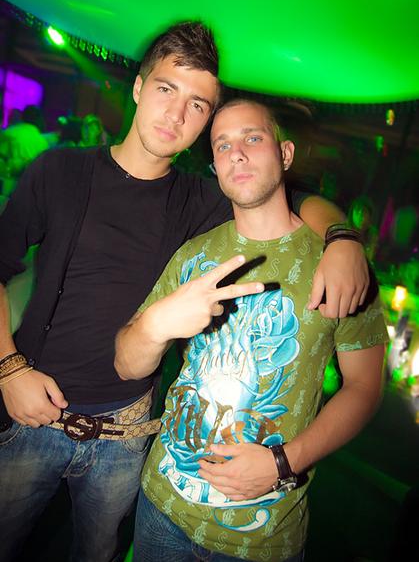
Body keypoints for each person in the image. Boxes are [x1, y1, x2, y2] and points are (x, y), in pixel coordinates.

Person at [0, 22, 367, 562]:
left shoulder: (203, 200)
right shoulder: (60, 171)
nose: (176, 115)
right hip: (30, 411)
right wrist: (8, 369)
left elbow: (289, 194)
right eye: (166, 89)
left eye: (197, 105)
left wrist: (342, 237)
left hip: (127, 436)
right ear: (138, 87)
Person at [115, 99, 387, 562]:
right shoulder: (193, 254)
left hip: (261, 537)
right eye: (222, 145)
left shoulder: (337, 264)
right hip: (161, 506)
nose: (236, 153)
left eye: (252, 138)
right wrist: (156, 327)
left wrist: (284, 462)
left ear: (285, 153)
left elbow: (364, 387)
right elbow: (126, 364)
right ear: (215, 166)